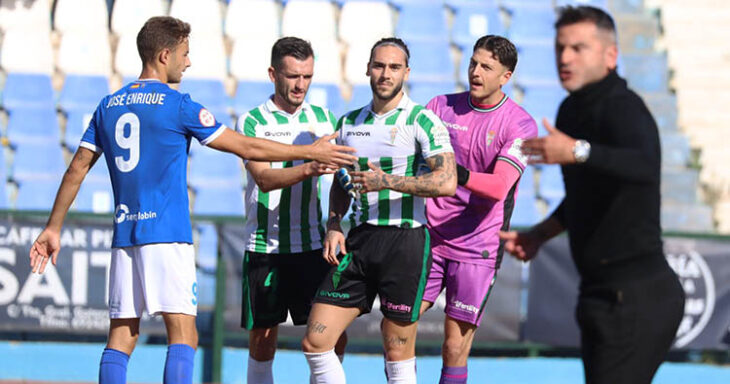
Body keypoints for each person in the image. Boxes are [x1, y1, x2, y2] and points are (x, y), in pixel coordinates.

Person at [27, 16, 356, 384]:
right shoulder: (179, 104)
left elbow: (76, 170)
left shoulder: (109, 105)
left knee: (120, 337)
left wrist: (53, 227)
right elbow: (246, 146)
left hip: (125, 237)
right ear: (165, 55)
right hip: (168, 234)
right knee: (184, 336)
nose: (188, 62)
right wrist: (309, 152)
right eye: (184, 54)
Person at [499, 6, 685, 384]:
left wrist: (578, 151)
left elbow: (644, 166)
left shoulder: (623, 106)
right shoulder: (571, 109)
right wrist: (539, 234)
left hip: (636, 297)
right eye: (560, 48)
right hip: (599, 294)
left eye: (578, 48)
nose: (565, 58)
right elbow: (587, 196)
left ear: (610, 55)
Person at [300, 37, 456, 384]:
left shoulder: (422, 121)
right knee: (316, 341)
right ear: (368, 69)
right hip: (357, 241)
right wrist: (335, 224)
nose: (385, 74)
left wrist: (386, 181)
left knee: (397, 350)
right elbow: (342, 183)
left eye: (394, 67)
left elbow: (446, 181)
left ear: (406, 73)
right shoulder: (349, 122)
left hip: (405, 241)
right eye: (379, 65)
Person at [419, 35, 537, 384]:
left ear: (506, 76)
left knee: (454, 347)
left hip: (477, 246)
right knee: (399, 325)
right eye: (473, 63)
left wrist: (456, 173)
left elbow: (500, 186)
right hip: (429, 235)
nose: (475, 71)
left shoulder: (520, 125)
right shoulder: (439, 106)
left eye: (487, 67)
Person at [235, 36, 347, 384]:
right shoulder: (252, 122)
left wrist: (334, 223)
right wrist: (310, 161)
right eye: (292, 76)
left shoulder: (324, 119)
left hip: (313, 247)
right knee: (262, 341)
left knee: (329, 336)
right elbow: (264, 179)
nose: (300, 85)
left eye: (307, 76)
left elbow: (343, 180)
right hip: (265, 247)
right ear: (273, 74)